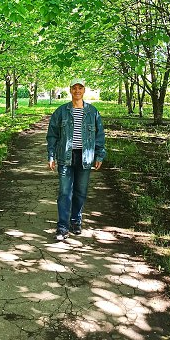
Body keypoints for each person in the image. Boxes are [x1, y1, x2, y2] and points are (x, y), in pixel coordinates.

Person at [46, 78, 106, 241]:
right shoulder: (61, 111)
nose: (77, 91)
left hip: (85, 157)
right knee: (65, 192)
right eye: (74, 88)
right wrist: (51, 155)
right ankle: (62, 227)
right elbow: (52, 135)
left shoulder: (93, 112)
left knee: (80, 192)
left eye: (80, 88)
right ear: (70, 90)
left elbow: (99, 136)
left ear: (84, 90)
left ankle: (75, 222)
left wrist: (99, 155)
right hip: (65, 157)